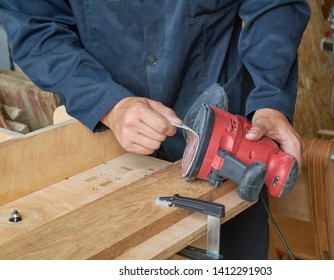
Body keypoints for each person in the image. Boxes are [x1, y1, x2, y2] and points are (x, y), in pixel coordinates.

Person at [0, 0, 310, 259]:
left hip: (227, 140)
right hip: (109, 149)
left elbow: (275, 5)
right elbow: (35, 26)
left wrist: (271, 99)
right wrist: (109, 104)